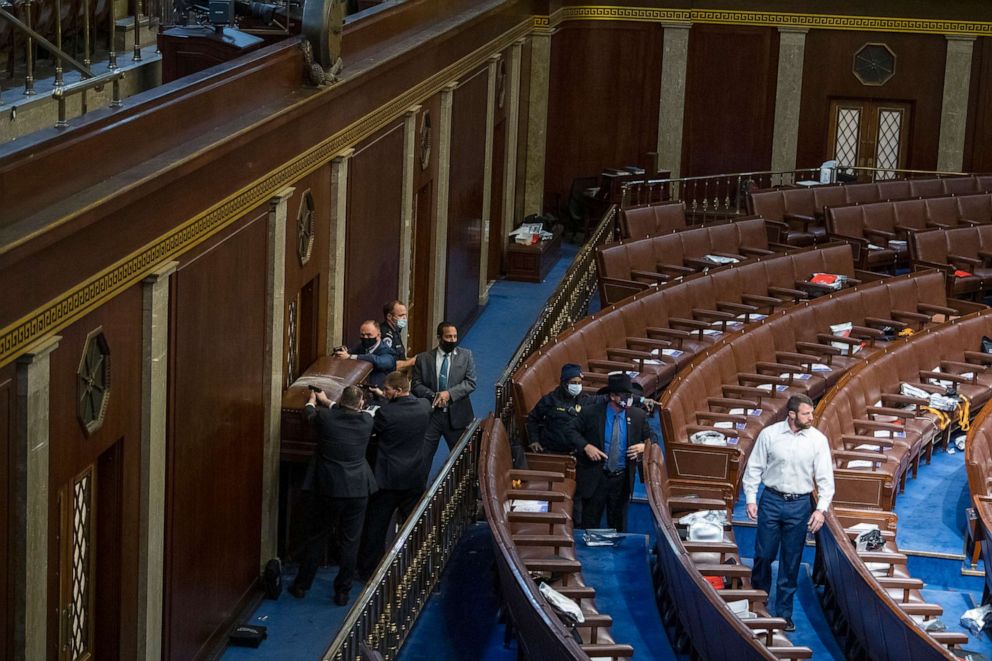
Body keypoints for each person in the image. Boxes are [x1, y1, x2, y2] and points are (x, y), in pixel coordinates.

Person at [742, 394, 835, 632]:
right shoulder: (770, 435)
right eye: (806, 414)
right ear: (792, 415)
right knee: (763, 555)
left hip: (800, 505)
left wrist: (821, 510)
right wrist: (751, 499)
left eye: (811, 413)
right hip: (771, 500)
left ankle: (784, 613)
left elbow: (826, 479)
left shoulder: (818, 440)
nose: (811, 417)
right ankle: (758, 606)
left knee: (791, 561)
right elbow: (753, 468)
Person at [289, 386, 377, 606]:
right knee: (351, 541)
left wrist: (313, 400)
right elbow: (346, 410)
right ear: (360, 404)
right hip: (358, 490)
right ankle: (342, 591)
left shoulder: (326, 419)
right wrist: (329, 401)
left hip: (329, 489)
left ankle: (301, 585)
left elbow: (309, 414)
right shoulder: (367, 421)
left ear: (341, 400)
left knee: (318, 536)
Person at [358, 371, 432, 578]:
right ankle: (421, 567)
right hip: (414, 477)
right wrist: (383, 396)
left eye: (388, 390)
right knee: (414, 526)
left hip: (388, 480)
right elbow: (410, 405)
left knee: (376, 526)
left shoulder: (385, 414)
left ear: (398, 391)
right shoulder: (424, 407)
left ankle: (368, 570)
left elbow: (371, 429)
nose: (385, 392)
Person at [568, 372, 650, 531]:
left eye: (630, 395)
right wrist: (586, 446)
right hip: (596, 476)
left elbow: (651, 438)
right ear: (613, 396)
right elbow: (571, 430)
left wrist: (644, 446)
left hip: (622, 478)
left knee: (618, 522)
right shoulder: (590, 413)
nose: (630, 399)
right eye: (626, 395)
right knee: (590, 520)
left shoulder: (638, 416)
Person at [411, 321, 477, 469]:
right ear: (439, 338)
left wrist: (449, 394)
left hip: (457, 416)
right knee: (422, 458)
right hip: (431, 416)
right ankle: (419, 491)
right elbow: (415, 385)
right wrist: (435, 396)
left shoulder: (466, 356)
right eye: (448, 337)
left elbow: (471, 382)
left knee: (463, 461)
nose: (453, 340)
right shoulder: (423, 358)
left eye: (455, 336)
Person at [526, 363, 593, 454]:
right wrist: (534, 440)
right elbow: (532, 418)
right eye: (573, 383)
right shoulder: (550, 400)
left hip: (578, 451)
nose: (577, 386)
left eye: (579, 383)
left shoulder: (584, 399)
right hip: (553, 450)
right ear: (564, 383)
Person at [335, 320, 397, 388]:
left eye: (369, 335)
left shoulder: (388, 351)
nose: (365, 337)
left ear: (378, 335)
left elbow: (377, 361)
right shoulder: (361, 345)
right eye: (362, 334)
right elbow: (349, 353)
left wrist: (350, 357)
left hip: (381, 393)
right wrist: (344, 353)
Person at [381, 300, 415, 370]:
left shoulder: (395, 331)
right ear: (389, 316)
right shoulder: (385, 334)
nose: (405, 318)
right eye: (401, 315)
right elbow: (390, 365)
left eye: (405, 315)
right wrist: (412, 361)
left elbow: (400, 357)